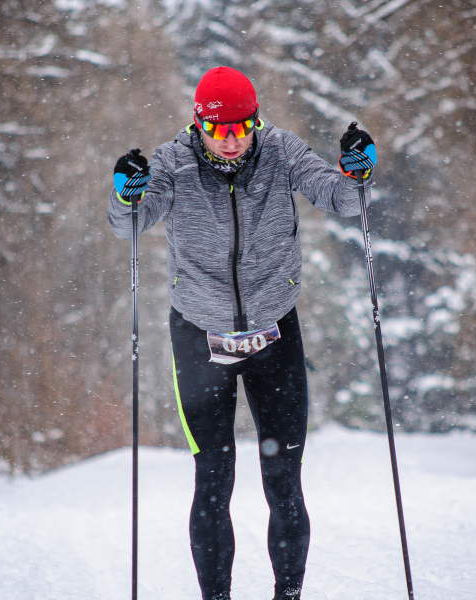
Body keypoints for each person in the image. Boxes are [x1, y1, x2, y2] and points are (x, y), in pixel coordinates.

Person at [107, 66, 376, 600]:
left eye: (241, 127)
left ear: (256, 121)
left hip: (275, 333)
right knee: (214, 477)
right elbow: (129, 225)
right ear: (198, 125)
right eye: (218, 129)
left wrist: (356, 173)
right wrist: (126, 194)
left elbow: (344, 201)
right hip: (199, 335)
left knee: (284, 479)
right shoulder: (173, 163)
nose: (231, 140)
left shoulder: (281, 150)